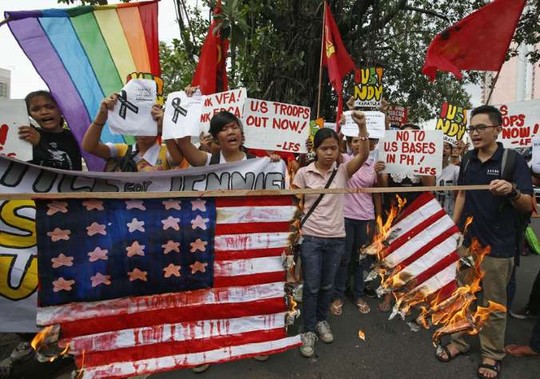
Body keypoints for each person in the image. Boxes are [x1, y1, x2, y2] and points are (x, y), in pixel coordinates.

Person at [435, 105, 533, 379]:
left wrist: (512, 191)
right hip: (469, 245)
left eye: (481, 128)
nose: (474, 133)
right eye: (471, 129)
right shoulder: (467, 159)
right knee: (463, 298)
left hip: (499, 249)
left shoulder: (512, 162)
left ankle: (491, 355)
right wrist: (451, 231)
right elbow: (463, 196)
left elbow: (528, 205)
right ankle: (459, 342)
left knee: (493, 305)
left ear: (497, 129)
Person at [293, 111, 369, 358]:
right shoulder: (304, 173)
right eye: (324, 148)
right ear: (315, 150)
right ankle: (308, 330)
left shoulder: (343, 172)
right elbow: (295, 204)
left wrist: (362, 127)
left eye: (333, 148)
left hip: (337, 238)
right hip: (311, 239)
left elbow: (364, 154)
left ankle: (321, 321)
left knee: (327, 285)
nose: (329, 153)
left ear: (339, 150)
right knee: (312, 286)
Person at [375, 123, 436, 312]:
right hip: (393, 215)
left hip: (417, 215)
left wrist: (421, 165)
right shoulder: (391, 160)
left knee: (415, 255)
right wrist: (380, 171)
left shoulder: (425, 161)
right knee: (391, 255)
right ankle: (388, 294)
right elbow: (384, 189)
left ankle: (410, 296)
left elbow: (430, 188)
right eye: (405, 136)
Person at [330, 136, 381, 316]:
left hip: (365, 218)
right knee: (343, 258)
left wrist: (378, 219)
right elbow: (333, 144)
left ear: (370, 144)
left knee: (360, 260)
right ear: (349, 144)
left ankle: (359, 295)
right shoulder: (344, 160)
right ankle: (338, 296)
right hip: (345, 217)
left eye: (361, 141)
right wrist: (342, 126)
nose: (357, 144)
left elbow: (377, 194)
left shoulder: (375, 166)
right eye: (354, 141)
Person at [82, 94, 185, 171]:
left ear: (159, 126)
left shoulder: (166, 152)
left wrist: (166, 126)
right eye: (139, 122)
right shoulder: (122, 150)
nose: (144, 129)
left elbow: (177, 159)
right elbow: (89, 147)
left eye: (151, 122)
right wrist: (102, 114)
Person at [18, 90, 82, 171]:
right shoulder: (25, 135)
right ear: (30, 114)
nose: (44, 112)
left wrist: (40, 143)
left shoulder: (76, 137)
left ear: (61, 110)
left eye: (50, 107)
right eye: (36, 109)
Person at [435, 141, 460, 217]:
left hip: (449, 215)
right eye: (440, 146)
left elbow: (459, 195)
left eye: (447, 147)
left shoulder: (456, 170)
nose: (443, 150)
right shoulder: (425, 170)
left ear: (451, 152)